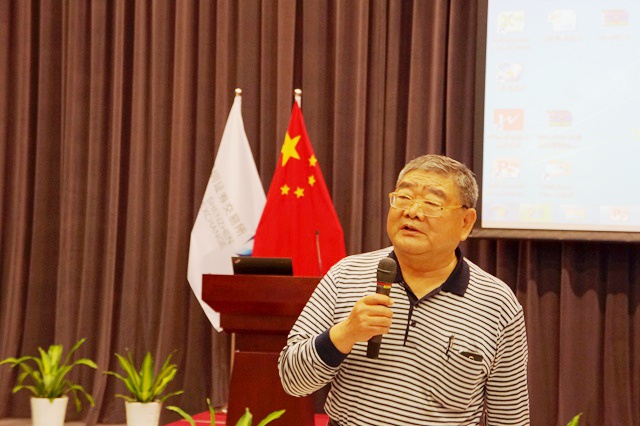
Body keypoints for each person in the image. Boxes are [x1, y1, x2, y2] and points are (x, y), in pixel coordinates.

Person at [278, 154, 529, 425]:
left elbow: (509, 417)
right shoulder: (346, 274)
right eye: (404, 197)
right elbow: (292, 380)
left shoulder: (497, 303)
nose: (412, 212)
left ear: (465, 222)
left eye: (431, 203)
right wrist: (346, 333)